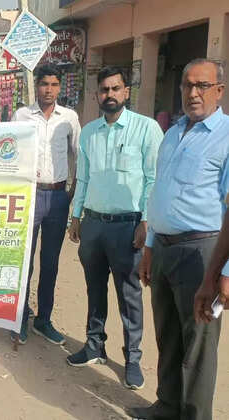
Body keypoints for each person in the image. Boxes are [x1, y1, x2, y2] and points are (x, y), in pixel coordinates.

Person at [129, 58, 228, 420]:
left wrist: (225, 273)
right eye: (187, 85)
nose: (193, 93)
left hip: (202, 252)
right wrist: (150, 249)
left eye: (202, 85)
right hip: (164, 250)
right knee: (167, 336)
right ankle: (167, 407)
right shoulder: (173, 133)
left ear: (219, 91)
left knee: (198, 347)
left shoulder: (226, 136)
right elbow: (162, 194)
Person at [66, 66, 163, 390]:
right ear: (97, 95)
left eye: (115, 88)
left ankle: (132, 358)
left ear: (126, 91)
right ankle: (94, 346)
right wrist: (76, 216)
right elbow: (83, 177)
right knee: (94, 289)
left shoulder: (146, 129)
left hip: (128, 227)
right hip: (94, 225)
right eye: (104, 90)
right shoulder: (89, 133)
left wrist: (146, 222)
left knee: (129, 295)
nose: (110, 94)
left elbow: (153, 180)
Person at [12, 65, 81, 345]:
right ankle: (19, 318)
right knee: (24, 261)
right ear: (36, 85)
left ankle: (44, 320)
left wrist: (73, 192)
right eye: (44, 84)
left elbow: (79, 156)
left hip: (57, 197)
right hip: (28, 195)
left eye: (53, 84)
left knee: (50, 262)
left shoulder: (70, 118)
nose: (48, 90)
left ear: (59, 87)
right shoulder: (21, 116)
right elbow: (9, 152)